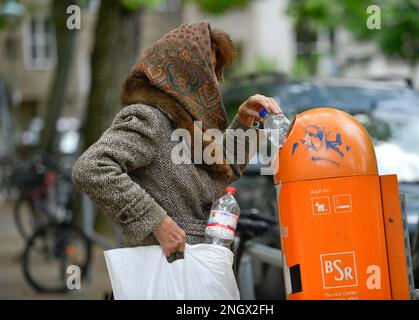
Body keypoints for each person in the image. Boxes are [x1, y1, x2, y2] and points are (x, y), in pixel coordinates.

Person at [71, 21, 282, 261]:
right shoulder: (150, 117)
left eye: (215, 70)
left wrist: (245, 122)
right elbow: (90, 168)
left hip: (197, 266)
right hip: (169, 269)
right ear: (183, 71)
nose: (214, 79)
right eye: (207, 69)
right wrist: (157, 221)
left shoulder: (184, 121)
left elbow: (222, 171)